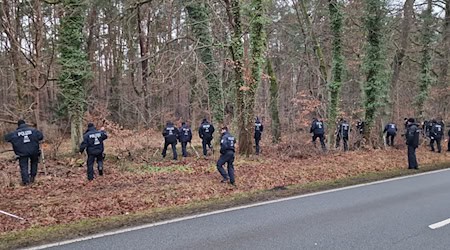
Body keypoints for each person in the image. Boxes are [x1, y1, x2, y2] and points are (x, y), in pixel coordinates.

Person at [4, 120, 44, 185]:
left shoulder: (15, 133)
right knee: (34, 163)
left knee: (24, 166)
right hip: (34, 151)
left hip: (22, 153)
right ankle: (32, 177)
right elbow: (41, 136)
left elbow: (6, 138)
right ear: (25, 124)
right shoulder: (33, 130)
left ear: (18, 125)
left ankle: (26, 182)